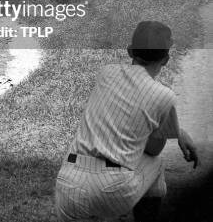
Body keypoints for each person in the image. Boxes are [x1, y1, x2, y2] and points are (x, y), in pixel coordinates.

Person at [55, 21, 199, 222]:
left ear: (130, 51)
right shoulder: (163, 96)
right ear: (166, 59)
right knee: (155, 164)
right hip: (111, 190)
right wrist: (175, 131)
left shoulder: (106, 73)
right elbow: (152, 150)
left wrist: (176, 130)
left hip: (68, 182)